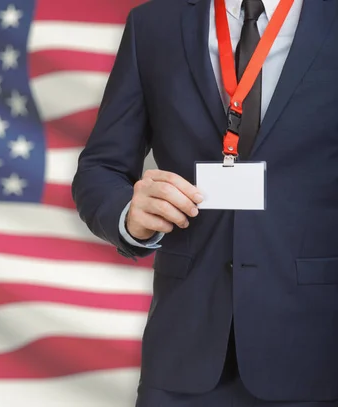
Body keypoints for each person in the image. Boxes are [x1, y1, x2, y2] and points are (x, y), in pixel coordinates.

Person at [71, 0, 338, 405]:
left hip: (318, 352)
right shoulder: (153, 24)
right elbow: (100, 167)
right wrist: (128, 214)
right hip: (184, 355)